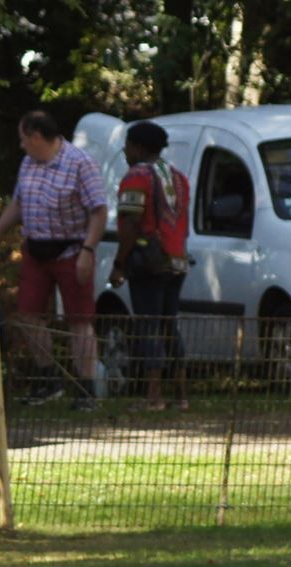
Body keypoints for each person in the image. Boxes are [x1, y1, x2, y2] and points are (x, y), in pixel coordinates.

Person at [0, 110, 108, 409]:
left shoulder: (80, 163)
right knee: (27, 315)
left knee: (80, 321)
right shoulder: (28, 163)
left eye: (23, 139)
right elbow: (18, 204)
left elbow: (99, 210)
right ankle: (48, 379)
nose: (20, 146)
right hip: (36, 250)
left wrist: (87, 251)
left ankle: (86, 390)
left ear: (36, 137)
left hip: (72, 250)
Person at [108, 120, 191, 412]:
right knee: (170, 324)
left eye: (128, 145)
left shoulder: (136, 176)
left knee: (149, 325)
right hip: (177, 261)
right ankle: (181, 396)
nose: (125, 151)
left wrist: (119, 263)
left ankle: (153, 397)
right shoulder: (179, 177)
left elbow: (131, 222)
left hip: (149, 262)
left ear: (139, 147)